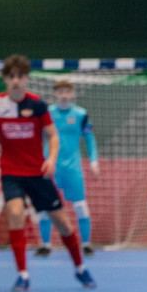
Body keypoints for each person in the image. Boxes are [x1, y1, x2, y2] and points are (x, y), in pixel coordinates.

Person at [0, 55, 95, 292]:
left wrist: (51, 160)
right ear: (5, 79)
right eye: (11, 76)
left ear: (26, 79)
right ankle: (22, 275)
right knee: (15, 214)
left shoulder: (37, 105)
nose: (15, 81)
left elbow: (52, 136)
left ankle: (80, 268)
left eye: (20, 76)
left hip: (37, 172)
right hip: (11, 173)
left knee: (63, 223)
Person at [35, 79, 100, 257]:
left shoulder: (80, 114)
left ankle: (86, 244)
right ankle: (45, 245)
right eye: (61, 91)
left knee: (80, 206)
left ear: (73, 94)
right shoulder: (47, 113)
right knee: (45, 208)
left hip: (73, 169)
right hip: (51, 167)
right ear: (55, 93)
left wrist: (94, 161)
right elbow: (37, 137)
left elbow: (89, 139)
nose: (64, 95)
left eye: (67, 91)